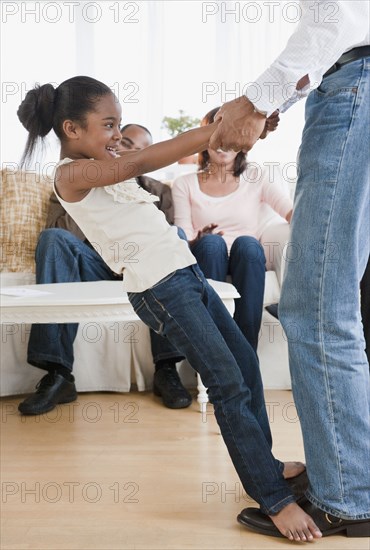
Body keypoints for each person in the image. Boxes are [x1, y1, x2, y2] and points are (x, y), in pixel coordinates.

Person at [17, 75, 320, 540]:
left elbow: (138, 158)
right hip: (160, 289)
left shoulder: (104, 158)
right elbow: (146, 157)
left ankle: (269, 464)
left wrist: (244, 125)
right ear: (71, 130)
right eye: (109, 124)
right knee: (227, 384)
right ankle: (273, 499)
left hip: (187, 274)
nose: (118, 134)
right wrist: (218, 129)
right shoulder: (71, 175)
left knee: (244, 365)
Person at [209, 0, 370, 540]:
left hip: (357, 89)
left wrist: (257, 101)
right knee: (331, 304)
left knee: (317, 308)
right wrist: (281, 98)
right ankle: (349, 475)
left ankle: (349, 498)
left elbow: (338, 18)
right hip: (351, 87)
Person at [18, 123, 192, 415]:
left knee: (177, 236)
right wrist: (90, 192)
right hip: (97, 264)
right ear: (113, 145)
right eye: (126, 144)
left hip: (142, 266)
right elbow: (59, 234)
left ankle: (166, 368)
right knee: (52, 240)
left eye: (141, 150)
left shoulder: (159, 191)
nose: (133, 153)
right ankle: (58, 373)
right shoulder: (72, 178)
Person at [172, 106, 292, 351]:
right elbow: (182, 235)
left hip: (246, 258)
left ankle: (246, 352)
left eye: (230, 136)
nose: (223, 144)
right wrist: (198, 239)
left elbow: (290, 213)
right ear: (204, 140)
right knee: (212, 243)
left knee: (248, 243)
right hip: (205, 255)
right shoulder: (184, 183)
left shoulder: (256, 176)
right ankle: (216, 351)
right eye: (217, 135)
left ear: (242, 140)